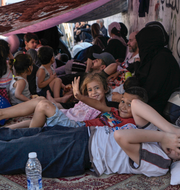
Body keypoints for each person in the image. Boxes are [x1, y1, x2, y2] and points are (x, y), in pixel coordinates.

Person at [0, 86, 180, 177]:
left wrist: (163, 136)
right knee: (20, 136)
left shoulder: (161, 162)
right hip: (83, 133)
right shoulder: (161, 136)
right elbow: (136, 104)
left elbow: (121, 136)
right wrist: (169, 130)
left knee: (17, 150)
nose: (176, 143)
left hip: (78, 153)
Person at [134, 23, 180, 115]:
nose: (140, 50)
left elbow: (149, 91)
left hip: (158, 112)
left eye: (141, 45)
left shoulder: (162, 59)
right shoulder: (155, 57)